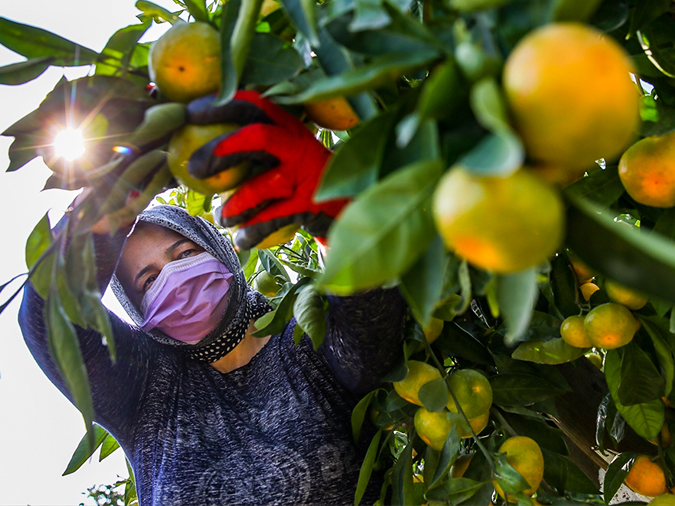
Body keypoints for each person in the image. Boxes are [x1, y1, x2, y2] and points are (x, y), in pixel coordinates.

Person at [18, 92, 407, 505]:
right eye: (148, 281)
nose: (174, 277)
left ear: (218, 251)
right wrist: (110, 201)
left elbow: (370, 305)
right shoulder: (147, 387)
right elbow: (51, 316)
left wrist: (332, 208)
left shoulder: (306, 346)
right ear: (137, 311)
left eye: (184, 255)